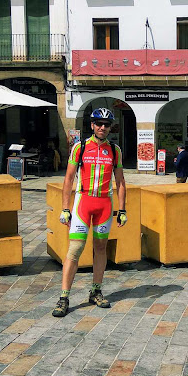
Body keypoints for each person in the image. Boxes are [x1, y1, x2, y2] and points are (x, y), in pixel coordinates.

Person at [52, 108, 127, 317]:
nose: (103, 128)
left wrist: (122, 209)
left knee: (101, 248)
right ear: (92, 125)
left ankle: (96, 291)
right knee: (74, 250)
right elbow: (68, 179)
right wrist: (65, 208)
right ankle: (64, 297)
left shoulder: (115, 150)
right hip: (83, 202)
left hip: (104, 204)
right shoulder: (81, 147)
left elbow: (120, 181)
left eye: (107, 125)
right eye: (99, 124)